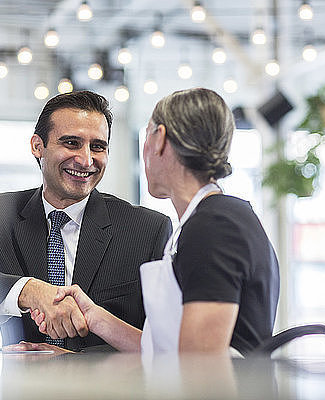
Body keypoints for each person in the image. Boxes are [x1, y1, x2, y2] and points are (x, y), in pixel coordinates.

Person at [25, 88, 280, 356]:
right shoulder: (211, 218)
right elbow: (170, 352)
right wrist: (94, 317)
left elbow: (201, 367)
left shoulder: (215, 226)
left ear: (159, 138)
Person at [0, 90, 172, 351]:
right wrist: (29, 291)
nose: (86, 160)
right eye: (71, 143)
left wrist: (72, 361)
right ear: (37, 146)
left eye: (97, 147)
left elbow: (165, 344)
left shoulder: (147, 229)